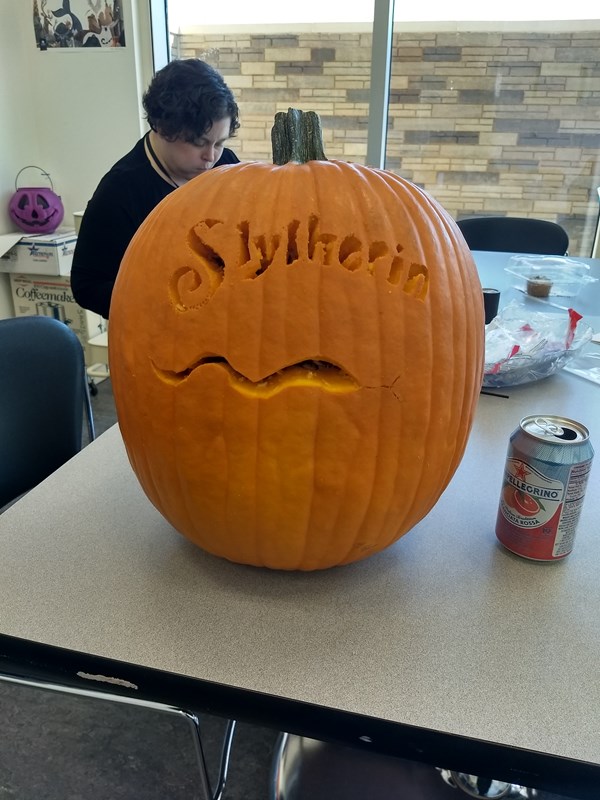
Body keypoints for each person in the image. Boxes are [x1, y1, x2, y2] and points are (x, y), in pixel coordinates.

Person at [71, 59, 240, 319]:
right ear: (161, 127)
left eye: (219, 142)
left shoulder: (226, 165)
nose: (210, 156)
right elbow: (87, 286)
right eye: (198, 142)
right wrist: (158, 299)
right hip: (159, 327)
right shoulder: (119, 192)